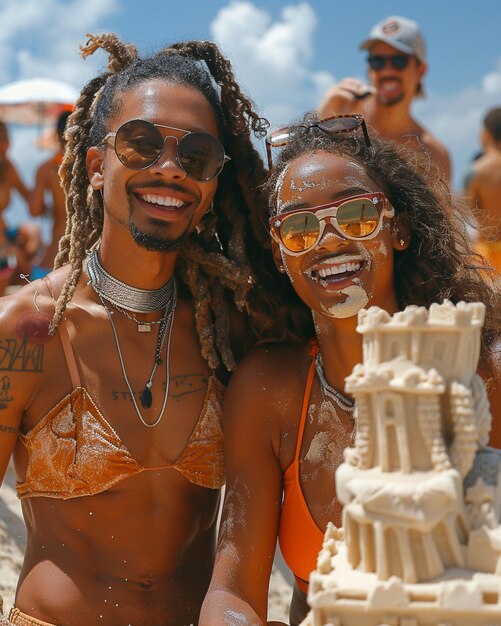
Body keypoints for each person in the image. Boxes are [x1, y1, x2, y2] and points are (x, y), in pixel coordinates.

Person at [0, 33, 274, 626]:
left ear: (212, 188)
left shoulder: (229, 330)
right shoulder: (28, 329)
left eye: (196, 157)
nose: (170, 170)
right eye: (142, 146)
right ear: (97, 167)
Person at [199, 113, 501, 626]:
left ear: (399, 228)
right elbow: (232, 595)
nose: (330, 240)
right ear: (279, 254)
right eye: (298, 228)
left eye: (357, 215)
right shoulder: (270, 390)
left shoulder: (482, 372)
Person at [318, 15, 451, 182]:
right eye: (378, 61)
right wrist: (320, 124)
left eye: (399, 60)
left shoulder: (434, 155)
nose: (387, 71)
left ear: (421, 70)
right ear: (369, 68)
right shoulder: (344, 125)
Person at [0, 121, 42, 294]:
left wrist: (51, 177)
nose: (4, 144)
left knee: (33, 231)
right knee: (14, 260)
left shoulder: (7, 167)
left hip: (4, 234)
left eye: (6, 138)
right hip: (2, 243)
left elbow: (30, 198)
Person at [29, 110, 72, 272]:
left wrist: (52, 207)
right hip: (86, 260)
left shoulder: (47, 169)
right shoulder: (94, 167)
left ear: (57, 134)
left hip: (53, 259)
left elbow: (34, 210)